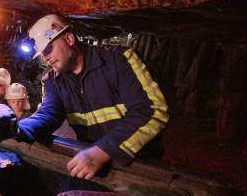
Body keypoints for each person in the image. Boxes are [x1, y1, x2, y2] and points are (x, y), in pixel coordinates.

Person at [17, 14, 169, 180]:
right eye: (42, 53)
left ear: (69, 39)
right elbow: (48, 114)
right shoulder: (53, 81)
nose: (45, 57)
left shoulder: (118, 60)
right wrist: (20, 128)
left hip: (139, 165)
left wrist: (101, 151)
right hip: (91, 165)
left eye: (48, 49)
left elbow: (153, 110)